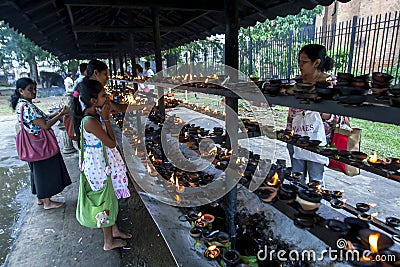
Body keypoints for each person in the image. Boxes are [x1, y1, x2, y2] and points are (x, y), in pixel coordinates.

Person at [71, 79, 131, 250]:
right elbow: (112, 143)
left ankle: (114, 230)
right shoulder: (90, 121)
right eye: (103, 95)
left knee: (109, 199)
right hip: (99, 169)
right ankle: (108, 242)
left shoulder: (92, 117)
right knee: (105, 204)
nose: (107, 98)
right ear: (93, 101)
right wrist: (107, 119)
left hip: (99, 166)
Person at [10, 78, 72, 209]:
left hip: (33, 145)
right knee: (45, 172)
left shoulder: (24, 104)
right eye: (30, 90)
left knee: (37, 171)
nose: (34, 92)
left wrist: (59, 112)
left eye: (34, 89)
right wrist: (62, 113)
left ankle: (41, 197)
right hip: (39, 144)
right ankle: (47, 202)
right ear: (21, 91)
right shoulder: (26, 107)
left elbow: (44, 117)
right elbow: (45, 125)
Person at [286, 44, 335, 184]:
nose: (300, 65)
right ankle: (296, 203)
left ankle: (311, 204)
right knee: (296, 176)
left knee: (315, 179)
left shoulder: (330, 84)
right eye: (299, 61)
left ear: (317, 62)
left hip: (317, 139)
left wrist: (321, 113)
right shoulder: (296, 82)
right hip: (294, 136)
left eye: (304, 61)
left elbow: (340, 117)